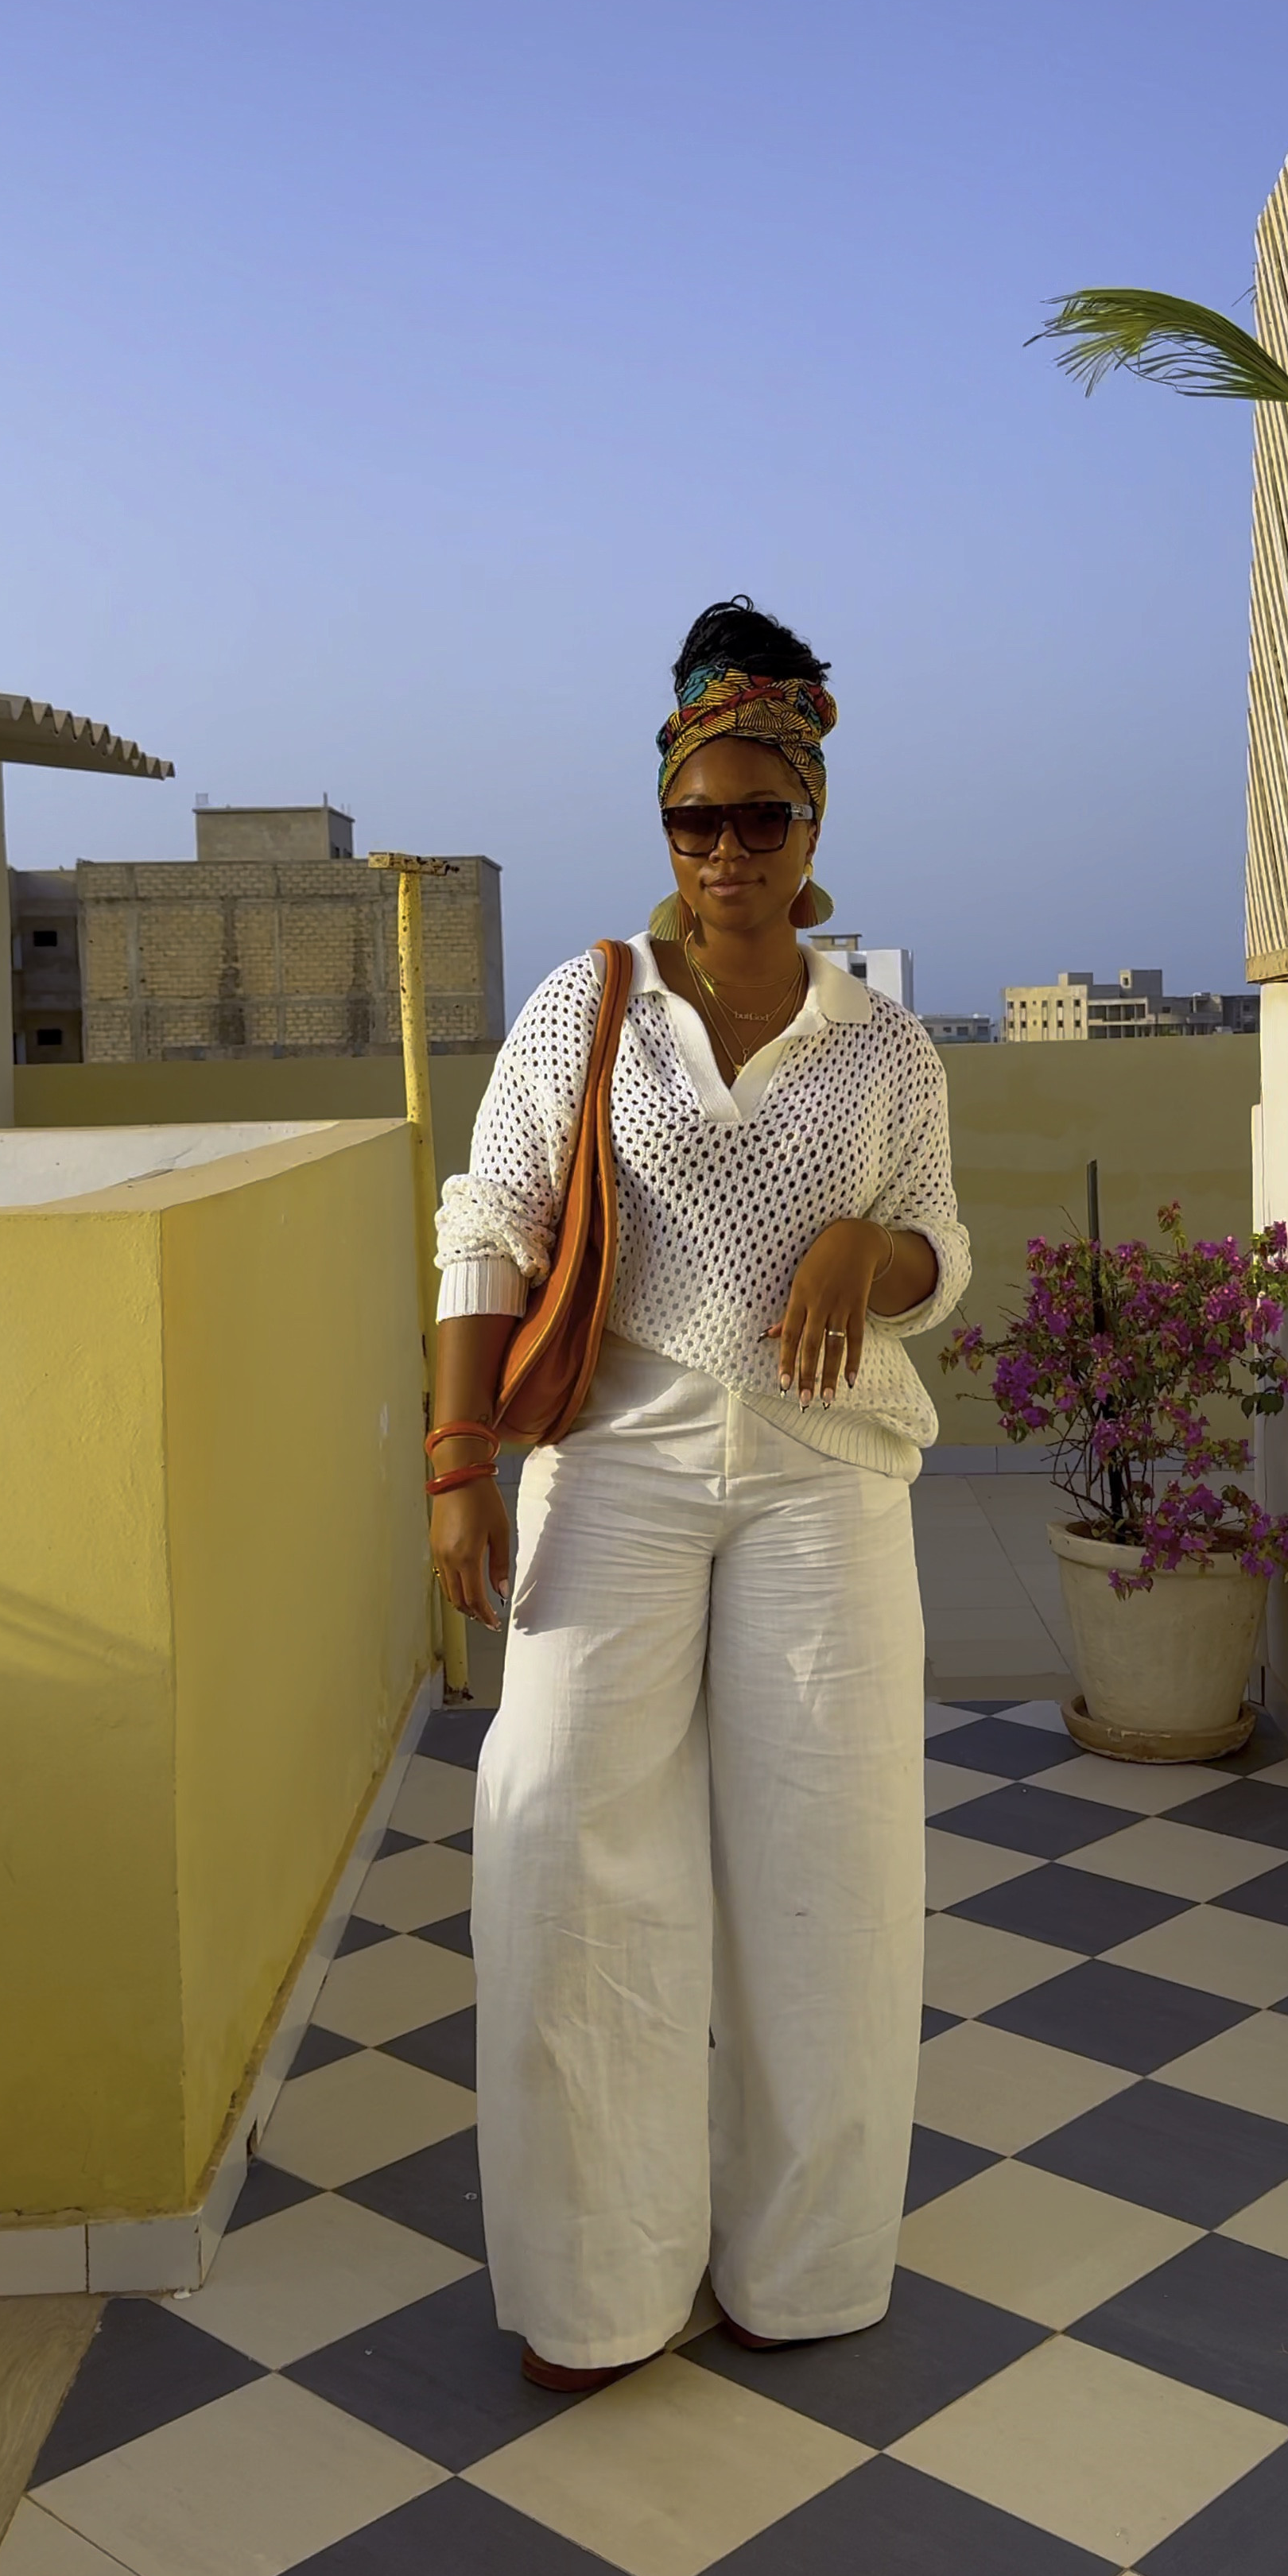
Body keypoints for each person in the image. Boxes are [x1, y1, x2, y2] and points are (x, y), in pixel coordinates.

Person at [428, 597, 969, 2392]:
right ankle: (596, 2291)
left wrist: (868, 1248)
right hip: (626, 1462)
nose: (725, 852)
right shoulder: (587, 1009)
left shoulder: (884, 1046)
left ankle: (802, 2270)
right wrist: (457, 1468)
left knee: (829, 1870)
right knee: (568, 1838)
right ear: (663, 827)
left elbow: (945, 1256)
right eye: (694, 821)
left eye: (761, 819)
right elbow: (486, 1234)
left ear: (815, 829)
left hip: (827, 1478)